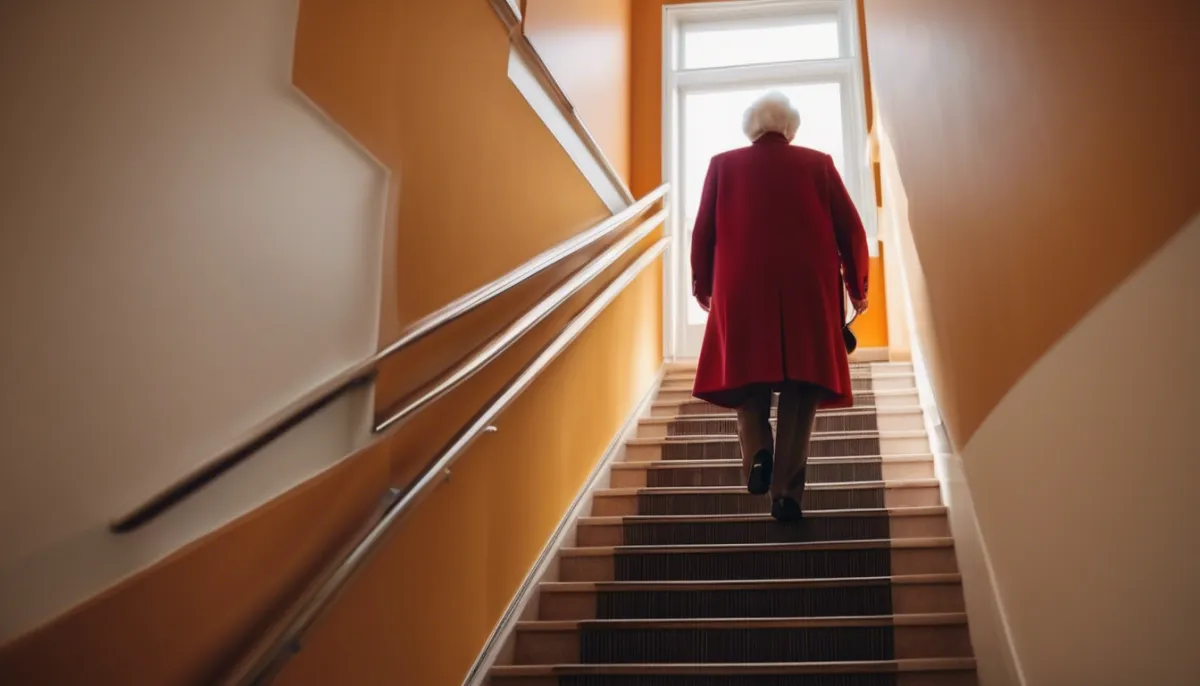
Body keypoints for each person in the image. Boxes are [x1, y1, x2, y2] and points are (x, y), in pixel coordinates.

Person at [690, 91, 870, 523]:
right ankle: (786, 493)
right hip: (807, 287)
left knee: (747, 378)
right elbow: (852, 231)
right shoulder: (818, 164)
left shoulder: (722, 165)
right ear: (790, 128)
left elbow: (703, 231)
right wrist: (857, 287)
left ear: (750, 128)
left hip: (742, 284)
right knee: (801, 386)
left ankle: (758, 452)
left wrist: (703, 285)